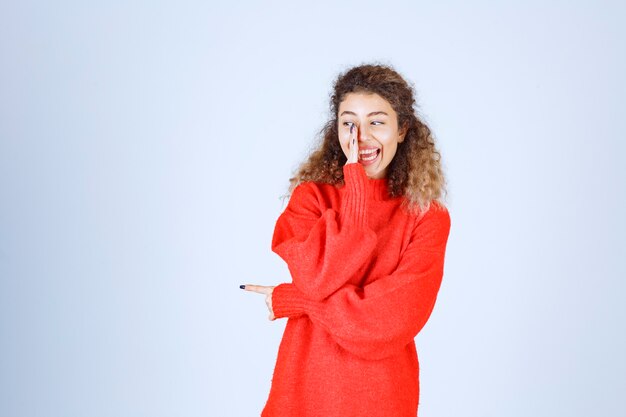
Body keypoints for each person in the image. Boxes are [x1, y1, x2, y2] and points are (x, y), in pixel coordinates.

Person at [241, 63, 451, 417]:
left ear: (403, 130)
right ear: (335, 129)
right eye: (349, 122)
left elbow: (386, 321)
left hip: (381, 396)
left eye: (377, 122)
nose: (361, 137)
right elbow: (317, 276)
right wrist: (357, 184)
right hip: (304, 389)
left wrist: (300, 301)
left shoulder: (428, 217)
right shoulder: (310, 198)